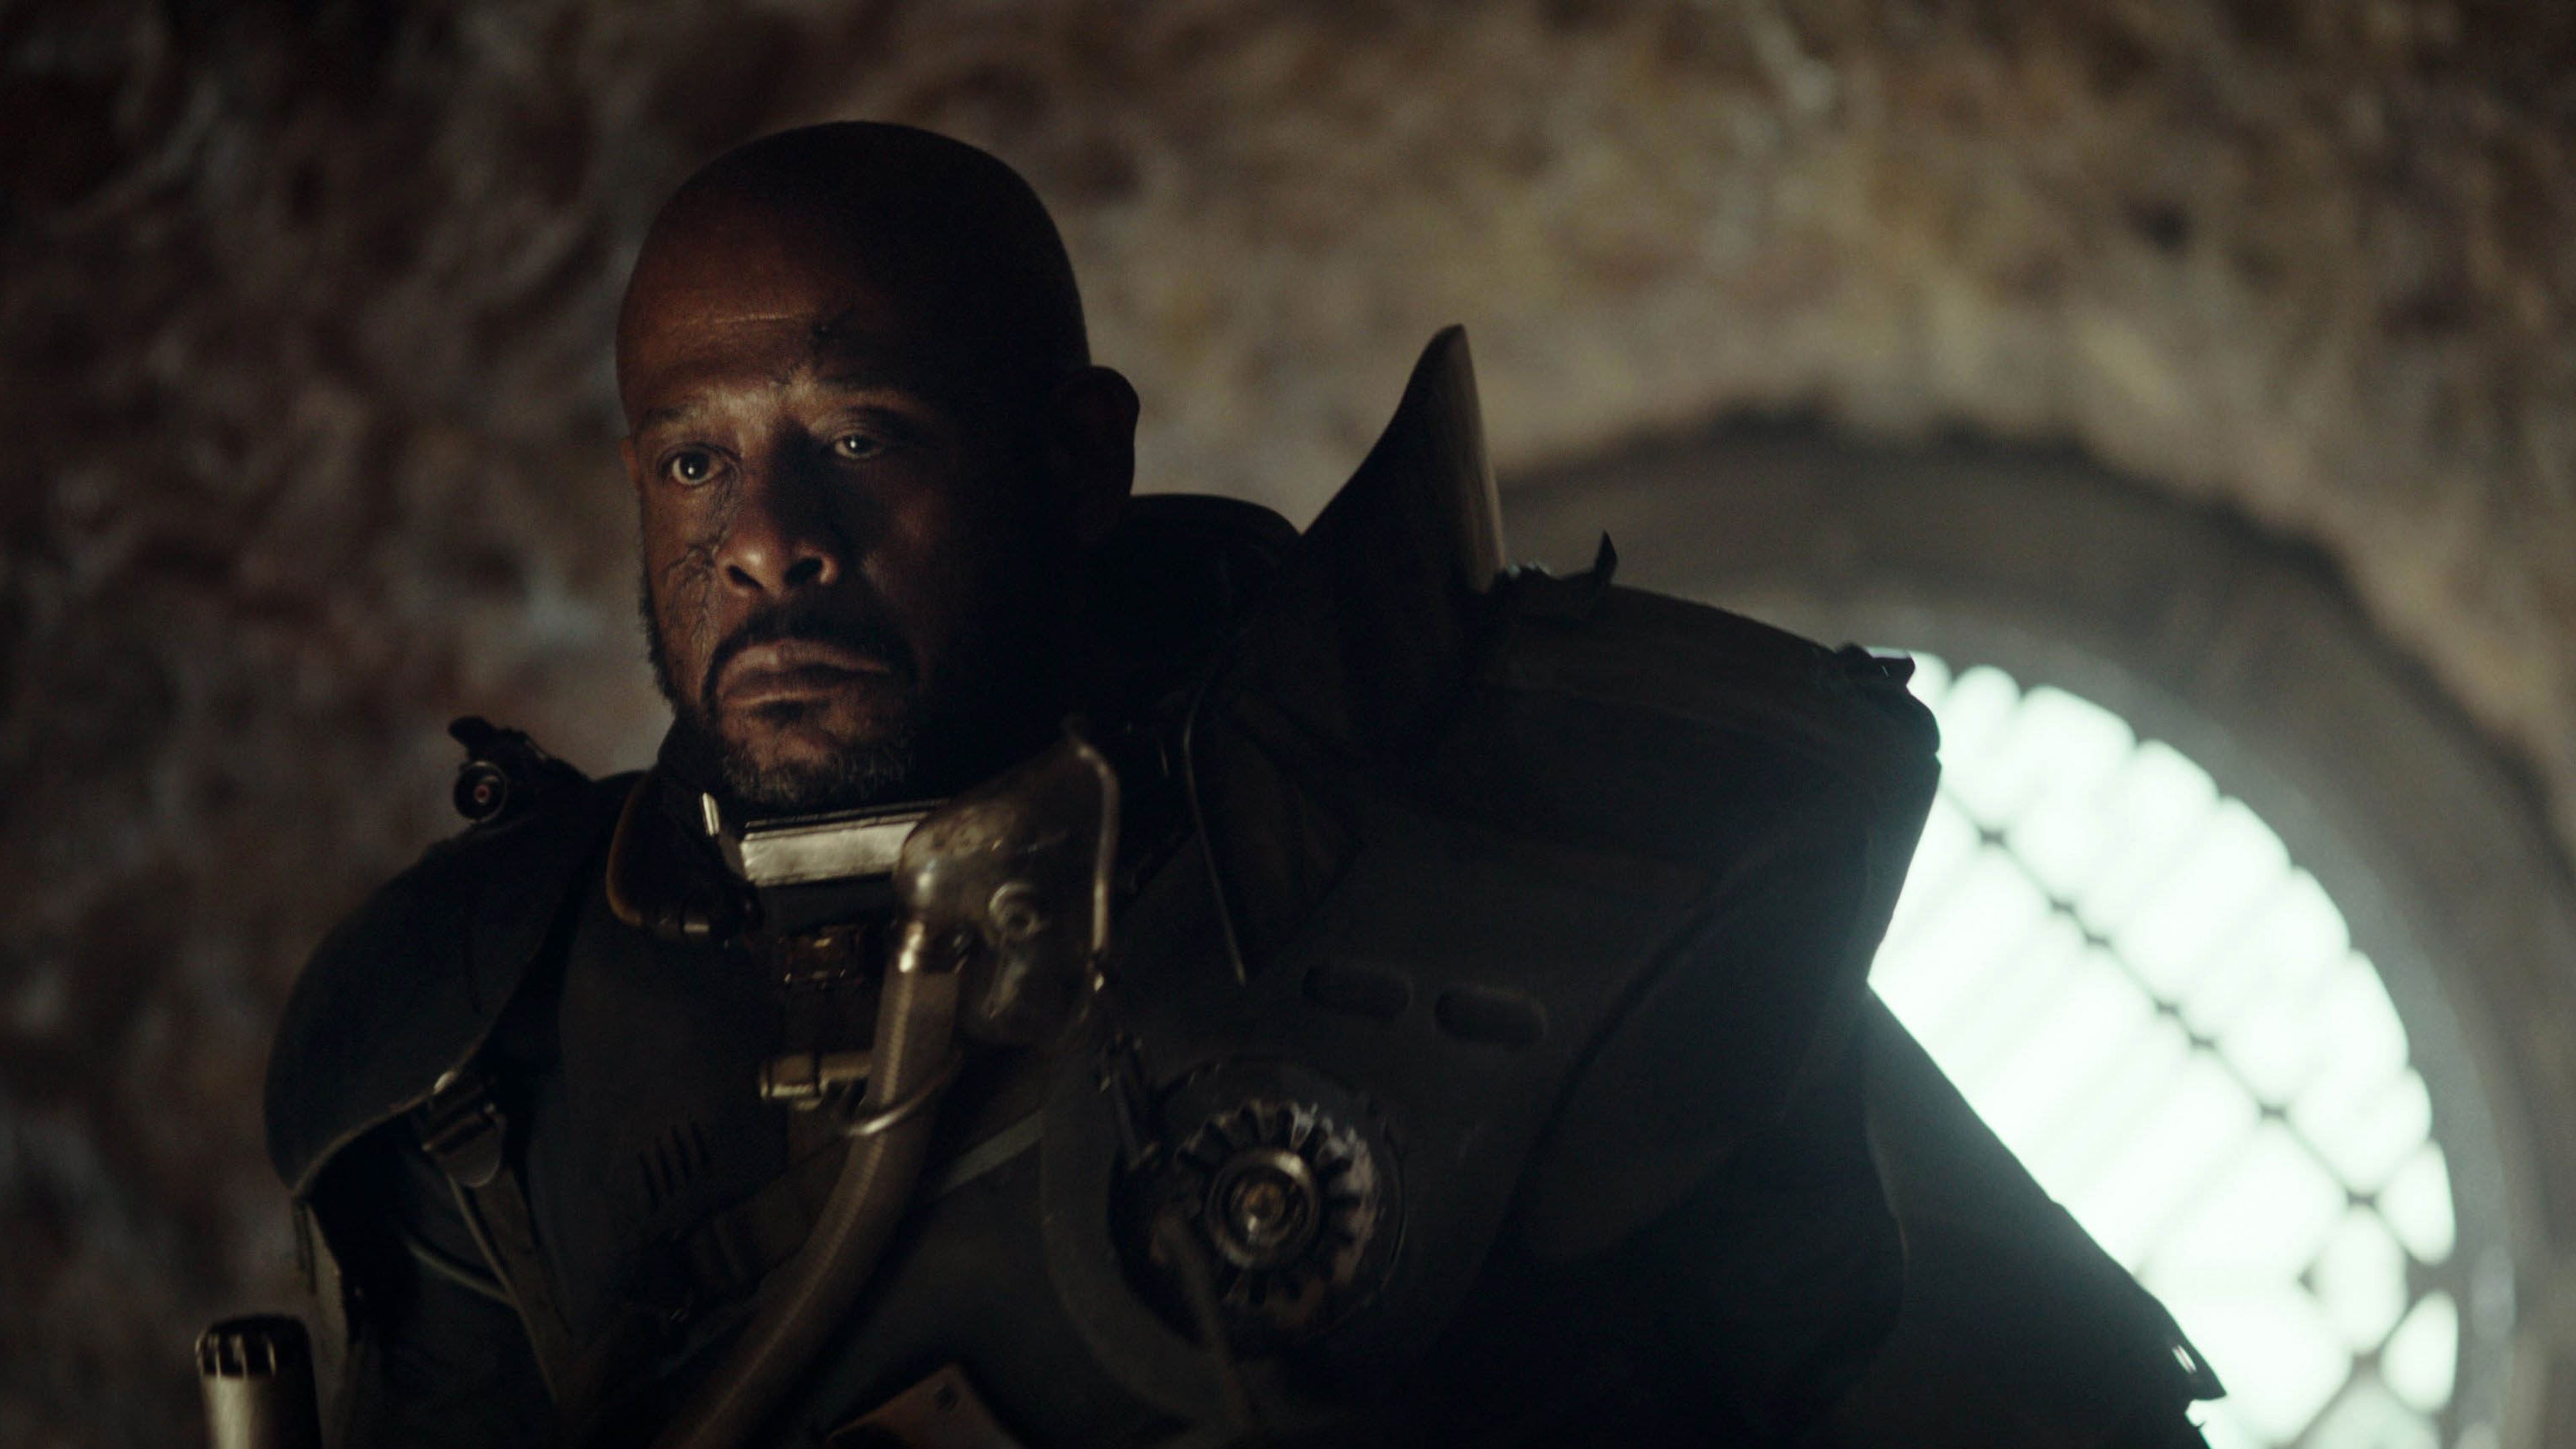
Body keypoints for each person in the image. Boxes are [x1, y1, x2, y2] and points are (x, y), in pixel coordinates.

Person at [263, 123, 2220, 1448]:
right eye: (696, 460)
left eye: (861, 437)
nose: (769, 538)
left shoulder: (1509, 848)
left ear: (1078, 459)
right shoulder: (474, 1048)